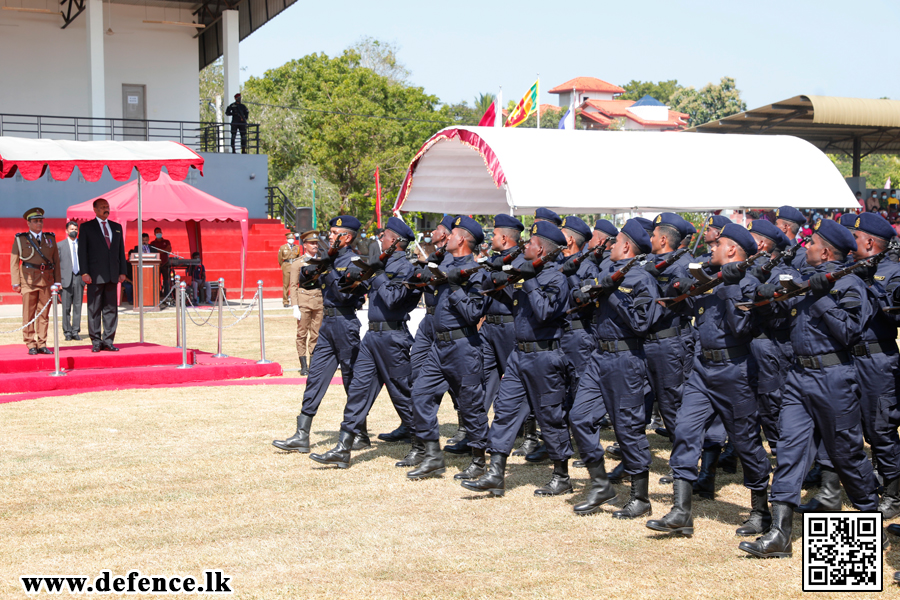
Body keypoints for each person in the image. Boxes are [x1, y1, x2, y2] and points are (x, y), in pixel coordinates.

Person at [739, 219, 879, 558]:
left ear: (826, 251)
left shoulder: (848, 285)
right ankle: (780, 535)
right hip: (799, 378)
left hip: (834, 378)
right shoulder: (807, 282)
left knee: (846, 455)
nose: (806, 247)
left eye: (812, 243)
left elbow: (850, 334)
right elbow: (779, 315)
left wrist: (820, 296)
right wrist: (765, 294)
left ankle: (870, 519)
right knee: (788, 451)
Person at [647, 223, 772, 538]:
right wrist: (684, 286)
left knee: (745, 441)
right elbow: (681, 300)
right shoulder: (710, 277)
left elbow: (742, 329)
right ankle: (681, 512)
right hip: (703, 370)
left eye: (717, 245)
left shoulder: (747, 281)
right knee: (686, 431)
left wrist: (730, 286)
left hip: (736, 369)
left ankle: (760, 511)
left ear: (731, 249)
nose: (711, 248)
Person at [795, 213, 900, 519]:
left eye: (855, 238)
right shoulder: (845, 270)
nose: (850, 244)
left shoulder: (893, 272)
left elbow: (894, 315)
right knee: (838, 427)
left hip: (876, 359)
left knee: (880, 428)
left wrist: (870, 283)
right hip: (844, 359)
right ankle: (829, 492)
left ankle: (892, 495)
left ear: (869, 241)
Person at [462, 220, 572, 496]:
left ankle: (561, 476)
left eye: (531, 244)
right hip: (519, 354)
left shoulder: (556, 279)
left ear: (543, 250)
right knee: (506, 410)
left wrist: (530, 280)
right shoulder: (526, 274)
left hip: (545, 356)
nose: (526, 247)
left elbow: (545, 311)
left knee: (550, 416)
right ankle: (496, 472)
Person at [563, 220, 660, 516]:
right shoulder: (608, 272)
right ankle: (600, 483)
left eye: (615, 242)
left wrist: (613, 293)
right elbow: (583, 298)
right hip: (599, 355)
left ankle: (640, 498)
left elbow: (642, 323)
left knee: (628, 428)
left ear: (627, 246)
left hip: (626, 358)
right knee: (579, 417)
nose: (610, 246)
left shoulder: (643, 279)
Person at [309, 217, 422, 468]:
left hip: (393, 337)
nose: (380, 239)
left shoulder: (406, 268)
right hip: (372, 336)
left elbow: (393, 299)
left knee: (401, 393)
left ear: (395, 241)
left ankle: (421, 444)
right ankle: (344, 446)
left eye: (385, 236)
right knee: (358, 390)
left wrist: (377, 274)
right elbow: (353, 287)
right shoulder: (377, 264)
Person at [404, 216, 490, 480]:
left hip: (464, 346)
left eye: (451, 235)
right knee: (419, 392)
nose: (446, 238)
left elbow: (473, 313)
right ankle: (432, 456)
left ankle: (478, 461)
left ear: (462, 239)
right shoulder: (444, 263)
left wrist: (454, 287)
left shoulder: (477, 271)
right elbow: (415, 279)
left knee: (471, 405)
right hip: (438, 346)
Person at [272, 216, 365, 453]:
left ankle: (360, 433)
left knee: (351, 379)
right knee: (315, 376)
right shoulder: (329, 259)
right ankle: (302, 434)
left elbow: (345, 295)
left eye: (334, 233)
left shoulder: (354, 262)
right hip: (327, 323)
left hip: (345, 322)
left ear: (347, 237)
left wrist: (329, 269)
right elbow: (305, 280)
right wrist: (317, 267)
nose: (329, 236)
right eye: (330, 232)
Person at [642, 213, 696, 483]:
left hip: (669, 341)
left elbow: (689, 304)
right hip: (649, 341)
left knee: (673, 405)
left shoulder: (682, 265)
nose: (649, 239)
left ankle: (683, 465)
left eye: (653, 235)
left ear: (663, 238)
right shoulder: (652, 262)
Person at [473, 215, 526, 455]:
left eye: (494, 234)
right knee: (483, 379)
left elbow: (516, 294)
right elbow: (486, 288)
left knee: (518, 382)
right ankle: (477, 433)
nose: (491, 238)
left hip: (509, 326)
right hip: (489, 327)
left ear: (504, 237)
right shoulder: (494, 260)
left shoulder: (524, 261)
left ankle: (530, 434)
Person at [78, 198, 128, 352]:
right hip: (95, 275)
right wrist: (84, 272)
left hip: (113, 275)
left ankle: (108, 340)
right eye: (102, 207)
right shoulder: (87, 227)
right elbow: (82, 252)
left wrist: (122, 272)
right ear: (95, 209)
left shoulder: (116, 227)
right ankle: (96, 341)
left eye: (107, 207)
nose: (106, 209)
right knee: (94, 309)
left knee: (111, 309)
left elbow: (120, 252)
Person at [10, 207, 60, 355]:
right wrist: (16, 282)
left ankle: (42, 343)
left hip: (47, 280)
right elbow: (14, 262)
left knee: (43, 314)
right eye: (35, 221)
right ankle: (31, 343)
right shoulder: (21, 239)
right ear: (28, 223)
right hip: (28, 281)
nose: (39, 223)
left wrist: (57, 281)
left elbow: (56, 260)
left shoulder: (50, 238)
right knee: (29, 313)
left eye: (40, 221)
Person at [290, 231, 325, 376]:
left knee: (316, 333)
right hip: (303, 300)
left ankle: (313, 363)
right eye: (312, 243)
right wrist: (294, 306)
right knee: (302, 333)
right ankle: (303, 365)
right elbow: (293, 285)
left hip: (318, 300)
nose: (315, 245)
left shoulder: (321, 261)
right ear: (305, 245)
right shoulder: (298, 263)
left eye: (316, 243)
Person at [58, 220, 85, 342]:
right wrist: (57, 281)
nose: (73, 231)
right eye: (71, 229)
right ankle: (67, 332)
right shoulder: (60, 245)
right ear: (66, 231)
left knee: (78, 306)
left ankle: (75, 331)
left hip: (79, 277)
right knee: (66, 307)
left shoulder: (83, 245)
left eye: (75, 229)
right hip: (65, 279)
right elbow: (56, 265)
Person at [774, 205, 808, 271]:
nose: (774, 227)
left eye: (776, 224)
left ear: (785, 227)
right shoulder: (773, 250)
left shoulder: (803, 256)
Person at [149, 227, 173, 301]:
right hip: (156, 264)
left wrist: (158, 251)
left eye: (160, 232)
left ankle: (167, 296)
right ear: (154, 233)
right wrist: (163, 250)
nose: (158, 233)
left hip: (165, 264)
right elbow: (153, 252)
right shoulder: (152, 243)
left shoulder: (166, 241)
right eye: (157, 232)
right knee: (156, 281)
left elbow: (168, 250)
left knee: (166, 281)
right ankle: (157, 296)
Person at [278, 232, 300, 307]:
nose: (291, 240)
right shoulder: (283, 247)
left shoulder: (296, 247)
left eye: (292, 239)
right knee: (286, 284)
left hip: (294, 266)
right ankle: (285, 301)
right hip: (286, 265)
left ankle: (295, 301)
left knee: (294, 284)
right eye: (290, 239)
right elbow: (280, 259)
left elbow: (298, 257)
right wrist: (283, 266)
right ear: (287, 239)